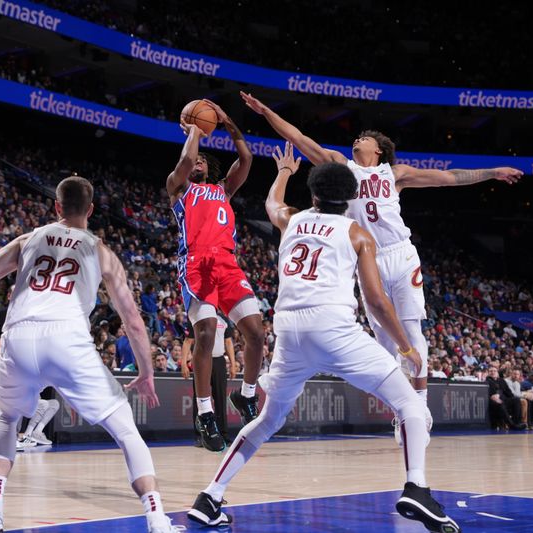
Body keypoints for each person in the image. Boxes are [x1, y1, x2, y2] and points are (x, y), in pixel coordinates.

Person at [187, 145, 460, 533]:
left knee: (267, 421)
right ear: (350, 199)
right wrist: (406, 347)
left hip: (289, 333)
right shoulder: (357, 233)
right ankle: (416, 487)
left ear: (314, 195)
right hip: (334, 329)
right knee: (411, 406)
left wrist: (283, 171)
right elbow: (379, 304)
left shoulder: (291, 219)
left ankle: (210, 496)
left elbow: (271, 202)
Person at [0, 176, 181, 533]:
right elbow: (134, 321)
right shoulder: (100, 250)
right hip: (66, 336)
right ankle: (157, 517)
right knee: (124, 428)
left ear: (56, 207)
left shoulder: (28, 238)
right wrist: (146, 371)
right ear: (90, 210)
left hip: (18, 337)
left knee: (7, 419)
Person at [240, 91, 523, 444]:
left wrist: (493, 172)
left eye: (365, 137)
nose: (357, 138)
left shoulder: (397, 173)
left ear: (379, 149)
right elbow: (297, 137)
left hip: (401, 256)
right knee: (385, 347)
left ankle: (418, 406)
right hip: (367, 258)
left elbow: (450, 178)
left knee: (413, 332)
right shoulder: (342, 167)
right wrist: (266, 109)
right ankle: (400, 411)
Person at [167, 100, 264, 452]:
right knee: (206, 332)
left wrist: (228, 123)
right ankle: (206, 413)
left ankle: (247, 395)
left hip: (227, 264)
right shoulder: (179, 189)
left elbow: (247, 159)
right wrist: (195, 129)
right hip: (196, 264)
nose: (199, 163)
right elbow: (185, 162)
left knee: (256, 332)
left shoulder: (222, 190)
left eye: (205, 161)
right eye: (197, 160)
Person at [182, 313, 237, 445]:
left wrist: (233, 364)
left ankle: (223, 434)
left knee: (220, 398)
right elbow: (188, 341)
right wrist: (183, 363)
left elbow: (228, 342)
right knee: (199, 398)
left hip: (219, 360)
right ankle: (200, 436)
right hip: (202, 360)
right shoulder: (197, 317)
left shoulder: (224, 320)